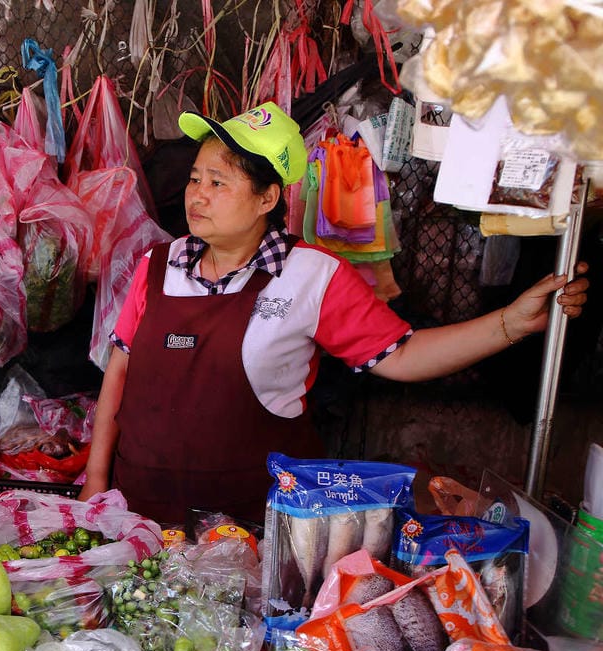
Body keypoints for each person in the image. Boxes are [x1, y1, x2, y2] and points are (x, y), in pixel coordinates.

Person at [79, 101, 590, 524]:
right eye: (195, 179)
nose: (197, 195)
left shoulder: (312, 275)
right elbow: (119, 372)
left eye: (218, 182)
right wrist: (96, 483)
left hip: (249, 525)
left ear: (267, 198)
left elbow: (403, 354)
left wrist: (509, 324)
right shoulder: (157, 266)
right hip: (134, 514)